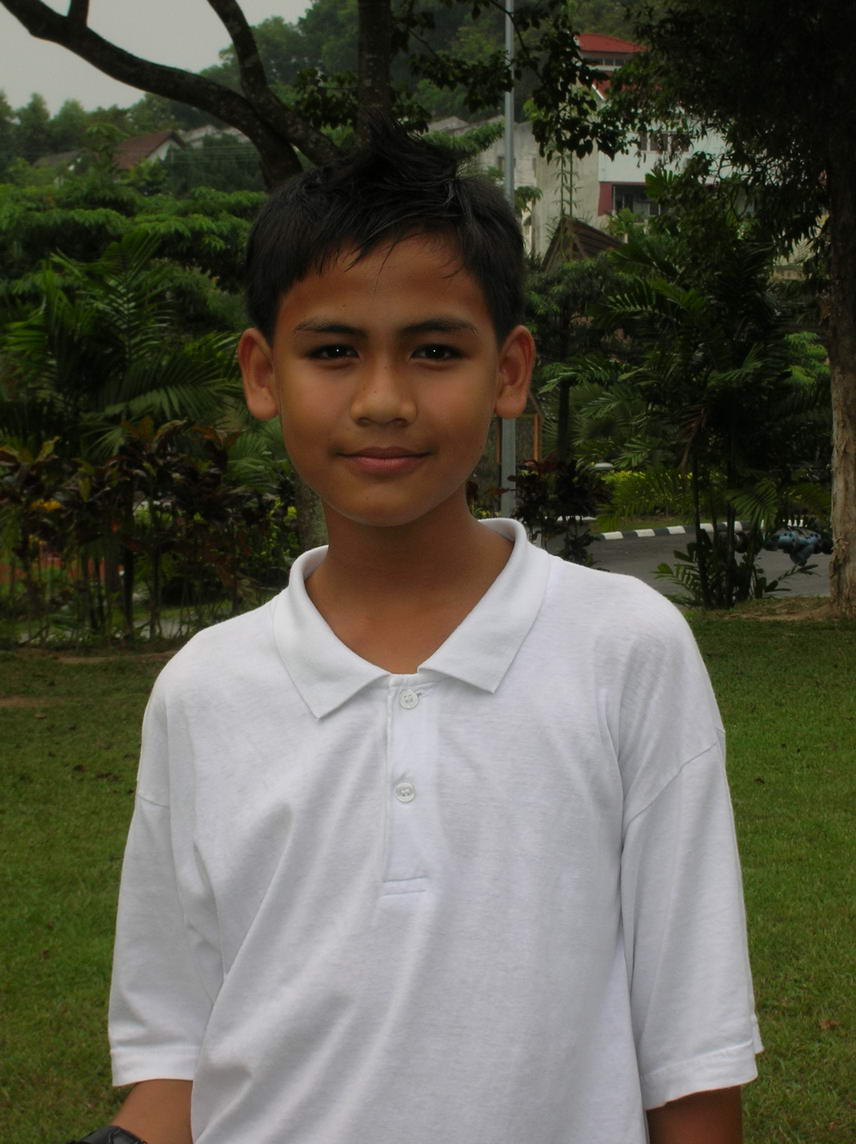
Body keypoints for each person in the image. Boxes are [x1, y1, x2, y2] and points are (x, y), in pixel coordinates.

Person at [69, 123, 761, 1144]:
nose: (384, 400)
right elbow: (174, 1055)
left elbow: (692, 1060)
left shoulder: (624, 651)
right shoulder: (203, 689)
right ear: (262, 374)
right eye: (332, 352)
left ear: (509, 371)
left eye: (436, 351)